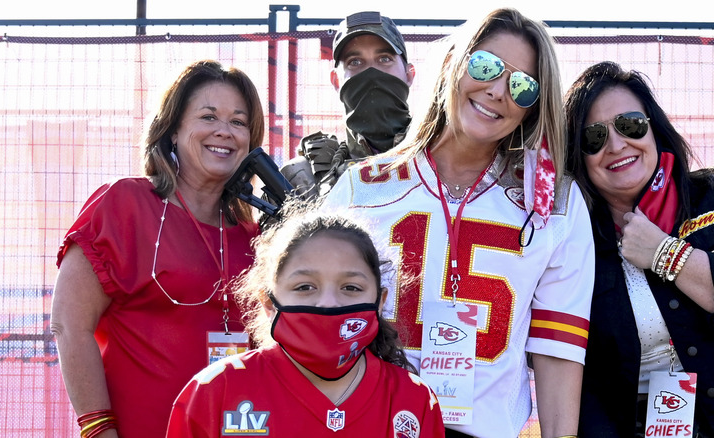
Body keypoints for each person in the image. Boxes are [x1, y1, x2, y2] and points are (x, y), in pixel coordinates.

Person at [322, 8, 594, 438]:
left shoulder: (555, 202)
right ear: (452, 63)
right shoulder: (361, 187)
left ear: (532, 107)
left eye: (522, 87)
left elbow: (557, 351)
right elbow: (317, 325)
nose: (498, 91)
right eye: (486, 66)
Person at [50, 59, 265, 438]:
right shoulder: (124, 204)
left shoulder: (256, 234)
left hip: (235, 427)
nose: (224, 131)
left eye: (238, 122)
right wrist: (99, 428)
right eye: (208, 117)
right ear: (173, 131)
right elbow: (70, 326)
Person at [564, 61, 714, 437]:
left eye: (630, 124)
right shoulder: (572, 238)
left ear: (652, 127)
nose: (616, 145)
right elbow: (572, 371)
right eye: (593, 137)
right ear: (578, 155)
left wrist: (666, 254)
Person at [166, 207, 444, 437]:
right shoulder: (214, 391)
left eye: (351, 288)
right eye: (304, 287)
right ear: (267, 301)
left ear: (380, 301)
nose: (328, 303)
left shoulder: (413, 398)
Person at [280, 10, 415, 199]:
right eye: (355, 62)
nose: (371, 72)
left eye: (385, 59)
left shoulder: (448, 159)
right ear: (336, 81)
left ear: (410, 74)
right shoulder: (301, 179)